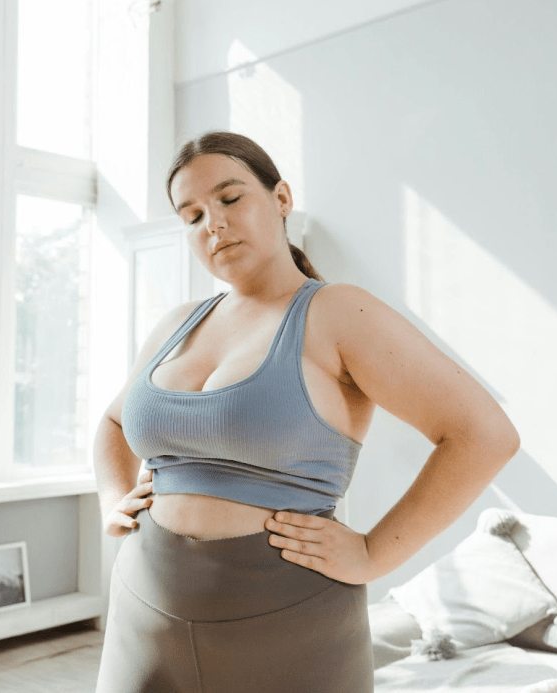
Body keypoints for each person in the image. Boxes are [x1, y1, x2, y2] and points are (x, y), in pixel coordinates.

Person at [93, 131, 520, 693]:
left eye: (229, 198)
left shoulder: (339, 312)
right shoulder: (176, 324)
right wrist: (112, 498)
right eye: (191, 215)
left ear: (281, 198)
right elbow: (115, 422)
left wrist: (372, 554)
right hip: (143, 619)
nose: (213, 224)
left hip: (289, 624)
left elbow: (483, 434)